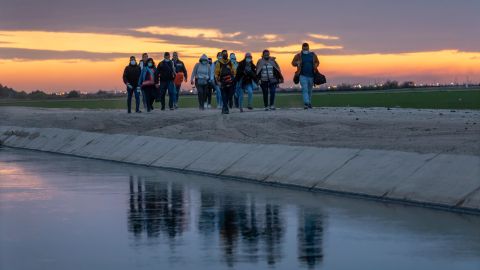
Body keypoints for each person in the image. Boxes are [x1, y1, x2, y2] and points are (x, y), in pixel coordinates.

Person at [292, 42, 320, 109]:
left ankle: (309, 103)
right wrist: (297, 63)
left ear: (308, 48)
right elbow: (293, 63)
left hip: (311, 75)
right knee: (305, 89)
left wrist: (315, 65)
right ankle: (306, 103)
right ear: (302, 48)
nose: (305, 50)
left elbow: (317, 62)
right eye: (304, 49)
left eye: (306, 49)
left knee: (309, 90)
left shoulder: (313, 55)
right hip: (302, 75)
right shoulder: (298, 55)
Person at [214, 50, 236, 114]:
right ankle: (226, 109)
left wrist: (233, 78)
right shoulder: (219, 63)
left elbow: (233, 71)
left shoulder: (230, 62)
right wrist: (218, 82)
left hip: (230, 81)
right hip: (222, 82)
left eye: (226, 54)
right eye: (224, 54)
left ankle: (224, 107)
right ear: (222, 55)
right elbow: (216, 73)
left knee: (229, 95)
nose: (225, 55)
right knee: (223, 95)